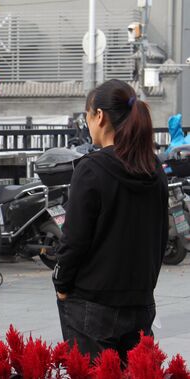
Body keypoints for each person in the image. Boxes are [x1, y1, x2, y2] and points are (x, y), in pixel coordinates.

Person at [53, 79, 168, 363]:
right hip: (140, 302)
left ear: (99, 116)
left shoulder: (91, 169)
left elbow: (74, 240)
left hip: (92, 305)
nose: (88, 122)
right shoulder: (154, 168)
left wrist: (62, 284)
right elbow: (160, 237)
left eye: (87, 115)